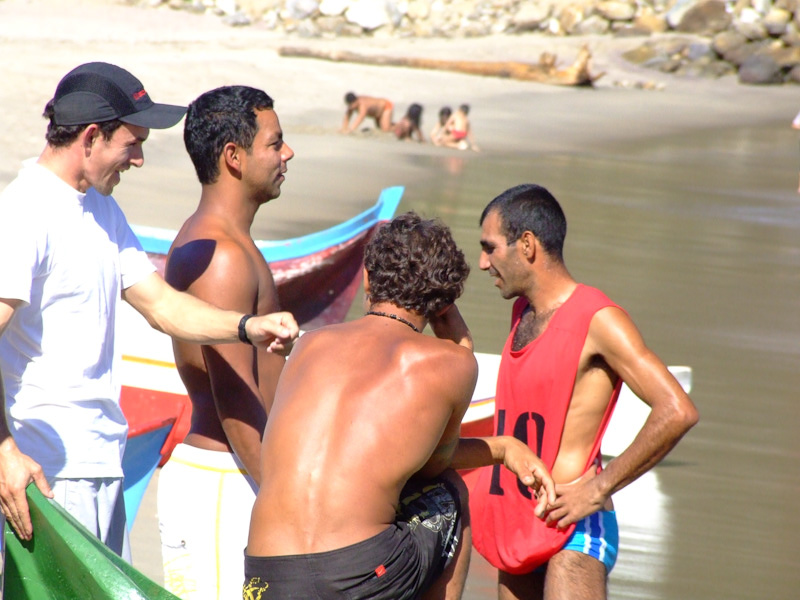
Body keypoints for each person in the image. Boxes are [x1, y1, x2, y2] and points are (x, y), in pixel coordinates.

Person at [0, 62, 299, 561]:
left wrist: (247, 327)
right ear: (91, 137)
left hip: (100, 459)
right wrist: (5, 450)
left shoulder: (100, 208)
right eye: (132, 142)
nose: (138, 160)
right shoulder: (25, 211)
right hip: (44, 469)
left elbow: (162, 307)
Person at [244, 212, 556, 600]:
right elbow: (432, 465)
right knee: (447, 492)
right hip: (352, 577)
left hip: (266, 574)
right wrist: (500, 442)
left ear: (368, 279)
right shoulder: (450, 364)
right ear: (443, 304)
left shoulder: (310, 343)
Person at [471, 184, 699, 600]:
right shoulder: (521, 311)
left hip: (572, 528)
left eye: (490, 247)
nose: (483, 263)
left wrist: (599, 489)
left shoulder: (599, 318)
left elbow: (677, 409)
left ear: (527, 245)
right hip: (520, 526)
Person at [156, 85, 295, 599]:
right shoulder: (222, 256)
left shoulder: (234, 244)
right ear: (234, 157)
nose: (288, 154)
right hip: (223, 476)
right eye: (275, 143)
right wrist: (291, 504)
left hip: (235, 476)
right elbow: (236, 402)